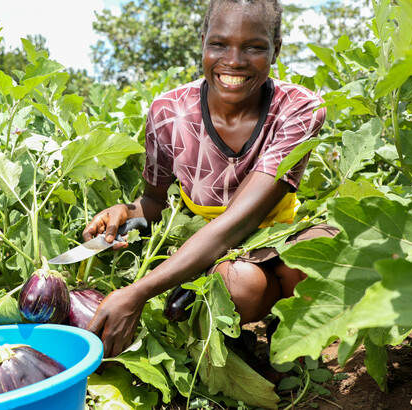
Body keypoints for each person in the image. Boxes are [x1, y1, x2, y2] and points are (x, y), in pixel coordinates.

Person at [83, 0, 337, 359]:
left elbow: (242, 219)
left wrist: (138, 292)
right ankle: (234, 341)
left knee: (326, 251)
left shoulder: (298, 108)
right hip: (212, 255)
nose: (233, 60)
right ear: (202, 42)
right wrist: (124, 212)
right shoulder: (168, 113)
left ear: (275, 49)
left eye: (254, 46)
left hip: (276, 236)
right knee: (238, 285)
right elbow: (155, 202)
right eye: (219, 44)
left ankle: (292, 341)